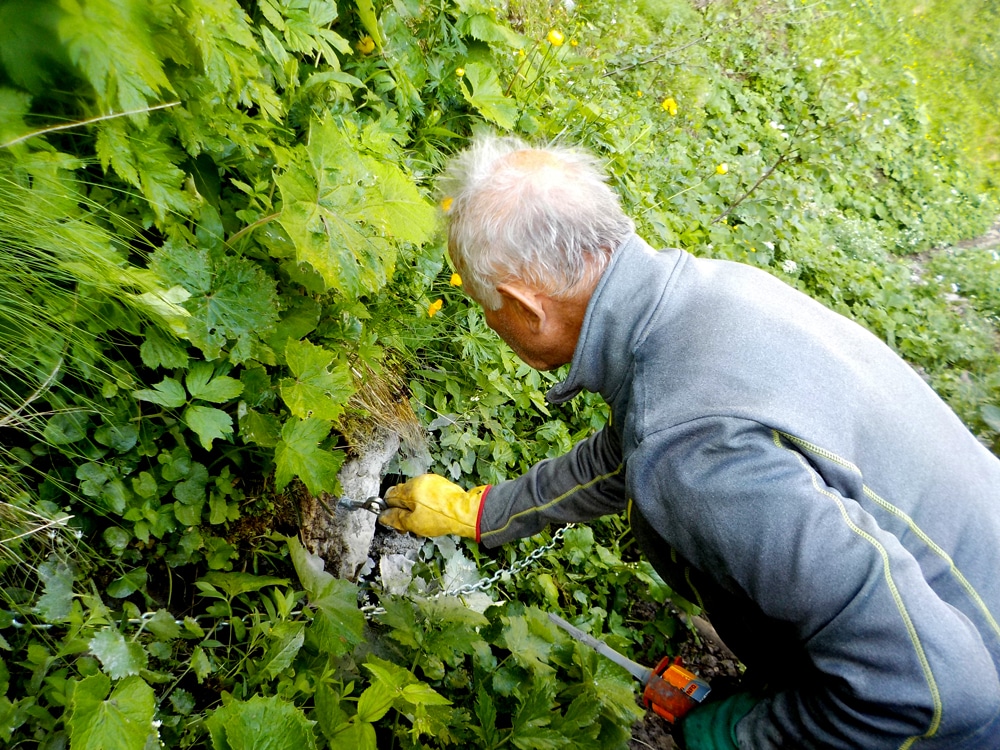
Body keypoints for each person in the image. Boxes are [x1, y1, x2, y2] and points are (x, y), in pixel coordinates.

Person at [378, 134, 1000, 749]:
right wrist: (483, 512)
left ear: (525, 305)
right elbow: (633, 449)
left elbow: (937, 695)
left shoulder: (698, 451)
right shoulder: (703, 299)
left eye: (487, 306)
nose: (490, 322)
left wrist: (736, 735)